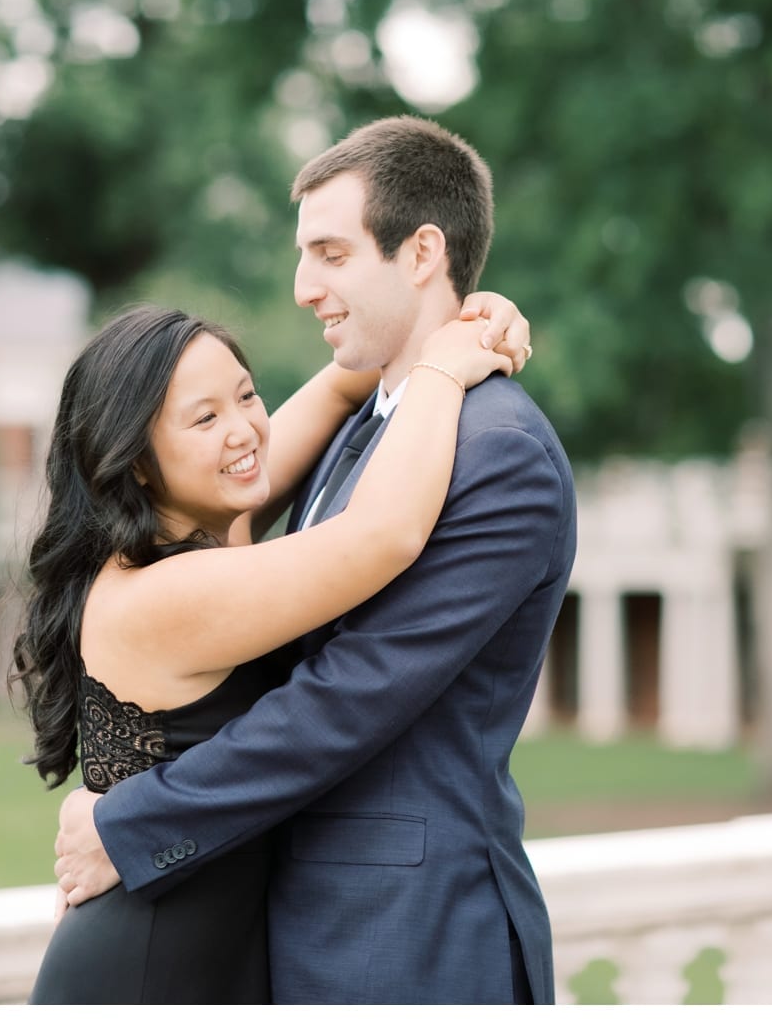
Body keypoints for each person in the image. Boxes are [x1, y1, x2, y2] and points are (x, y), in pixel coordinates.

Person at [53, 115, 578, 1004]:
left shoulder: (498, 455)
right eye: (202, 417)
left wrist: (130, 821)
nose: (303, 287)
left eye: (330, 254)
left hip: (408, 935)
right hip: (250, 930)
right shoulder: (369, 428)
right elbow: (343, 522)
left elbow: (349, 694)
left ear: (420, 253)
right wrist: (453, 338)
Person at [17, 296, 531, 1003]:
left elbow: (350, 376)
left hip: (209, 956)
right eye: (205, 418)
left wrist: (476, 315)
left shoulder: (208, 515)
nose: (245, 430)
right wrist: (443, 370)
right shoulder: (160, 595)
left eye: (247, 395)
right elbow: (383, 536)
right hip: (147, 971)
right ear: (137, 461)